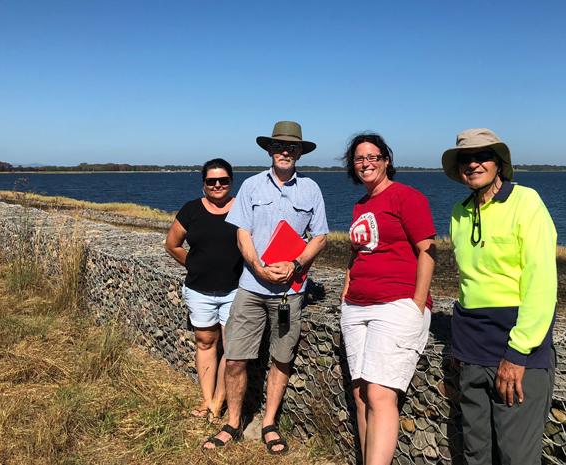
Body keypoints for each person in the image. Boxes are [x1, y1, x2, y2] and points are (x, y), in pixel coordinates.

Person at [203, 121, 328, 453]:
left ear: (300, 152)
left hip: (291, 293)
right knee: (234, 359)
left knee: (282, 358)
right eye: (278, 146)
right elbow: (242, 233)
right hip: (250, 288)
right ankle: (232, 423)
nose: (285, 152)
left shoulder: (312, 190)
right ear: (269, 150)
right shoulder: (251, 186)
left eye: (291, 147)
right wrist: (257, 266)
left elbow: (321, 236)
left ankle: (269, 422)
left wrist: (297, 264)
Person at [441, 129, 557, 465]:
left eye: (482, 156)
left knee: (516, 455)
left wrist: (518, 352)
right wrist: (459, 344)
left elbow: (541, 283)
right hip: (470, 349)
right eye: (465, 158)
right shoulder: (458, 213)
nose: (474, 164)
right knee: (476, 453)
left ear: (498, 163)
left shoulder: (527, 202)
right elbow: (469, 283)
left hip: (516, 346)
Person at [339, 132, 436, 465]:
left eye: (372, 157)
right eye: (359, 159)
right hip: (357, 306)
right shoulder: (361, 205)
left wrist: (417, 302)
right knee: (362, 395)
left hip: (396, 304)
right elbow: (360, 252)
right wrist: (346, 289)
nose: (366, 164)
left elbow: (427, 250)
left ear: (386, 160)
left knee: (380, 394)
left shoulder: (406, 197)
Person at [165, 158, 244, 424]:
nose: (218, 185)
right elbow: (172, 244)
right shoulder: (191, 210)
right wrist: (195, 264)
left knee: (231, 349)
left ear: (232, 182)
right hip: (199, 291)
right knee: (205, 343)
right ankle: (207, 399)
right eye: (212, 181)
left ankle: (219, 402)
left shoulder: (243, 208)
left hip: (235, 290)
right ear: (204, 185)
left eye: (223, 180)